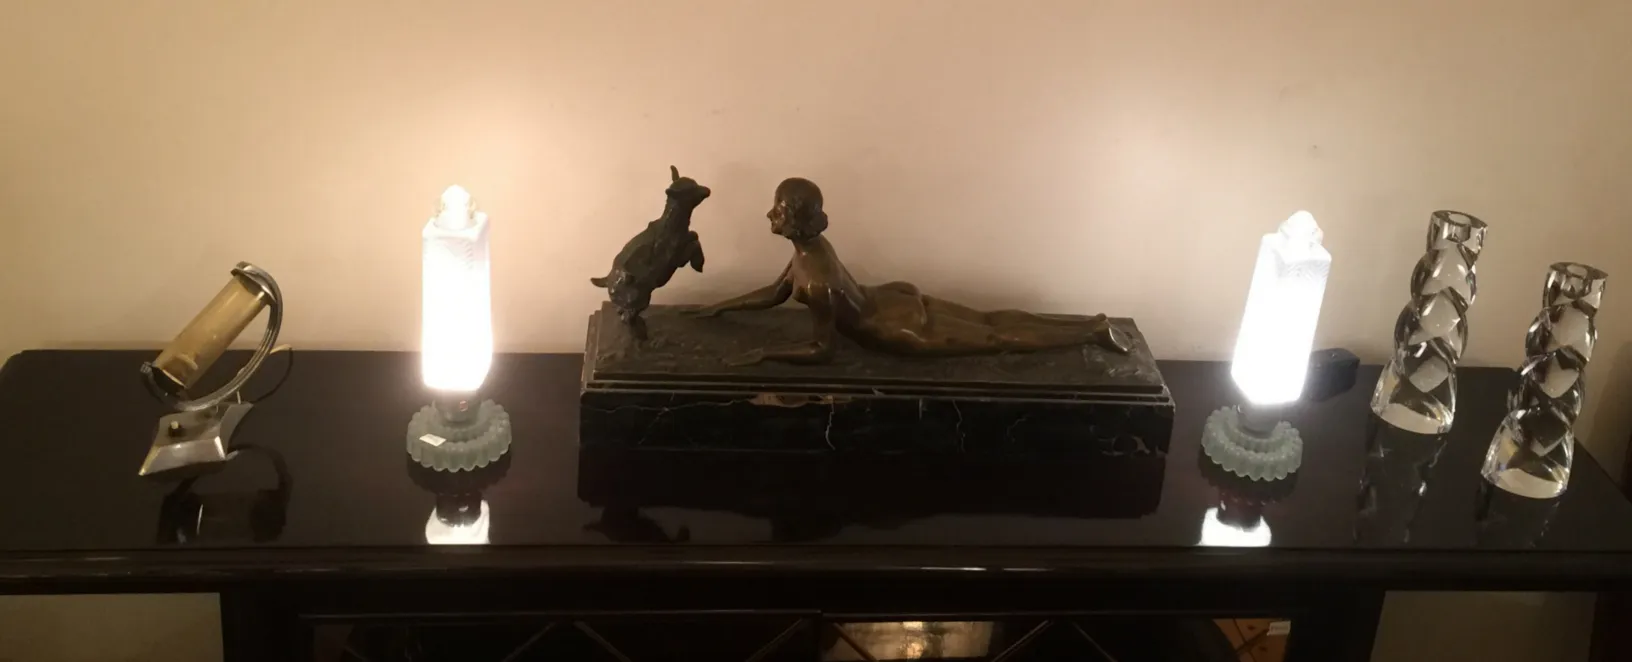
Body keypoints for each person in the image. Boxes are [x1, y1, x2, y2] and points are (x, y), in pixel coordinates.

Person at [690, 177, 1132, 366]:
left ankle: (1089, 333)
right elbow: (774, 292)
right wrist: (719, 308)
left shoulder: (818, 280)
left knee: (995, 337)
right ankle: (1090, 325)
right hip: (892, 299)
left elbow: (823, 350)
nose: (770, 214)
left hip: (899, 329)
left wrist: (765, 353)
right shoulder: (811, 251)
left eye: (780, 209)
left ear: (799, 220)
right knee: (990, 319)